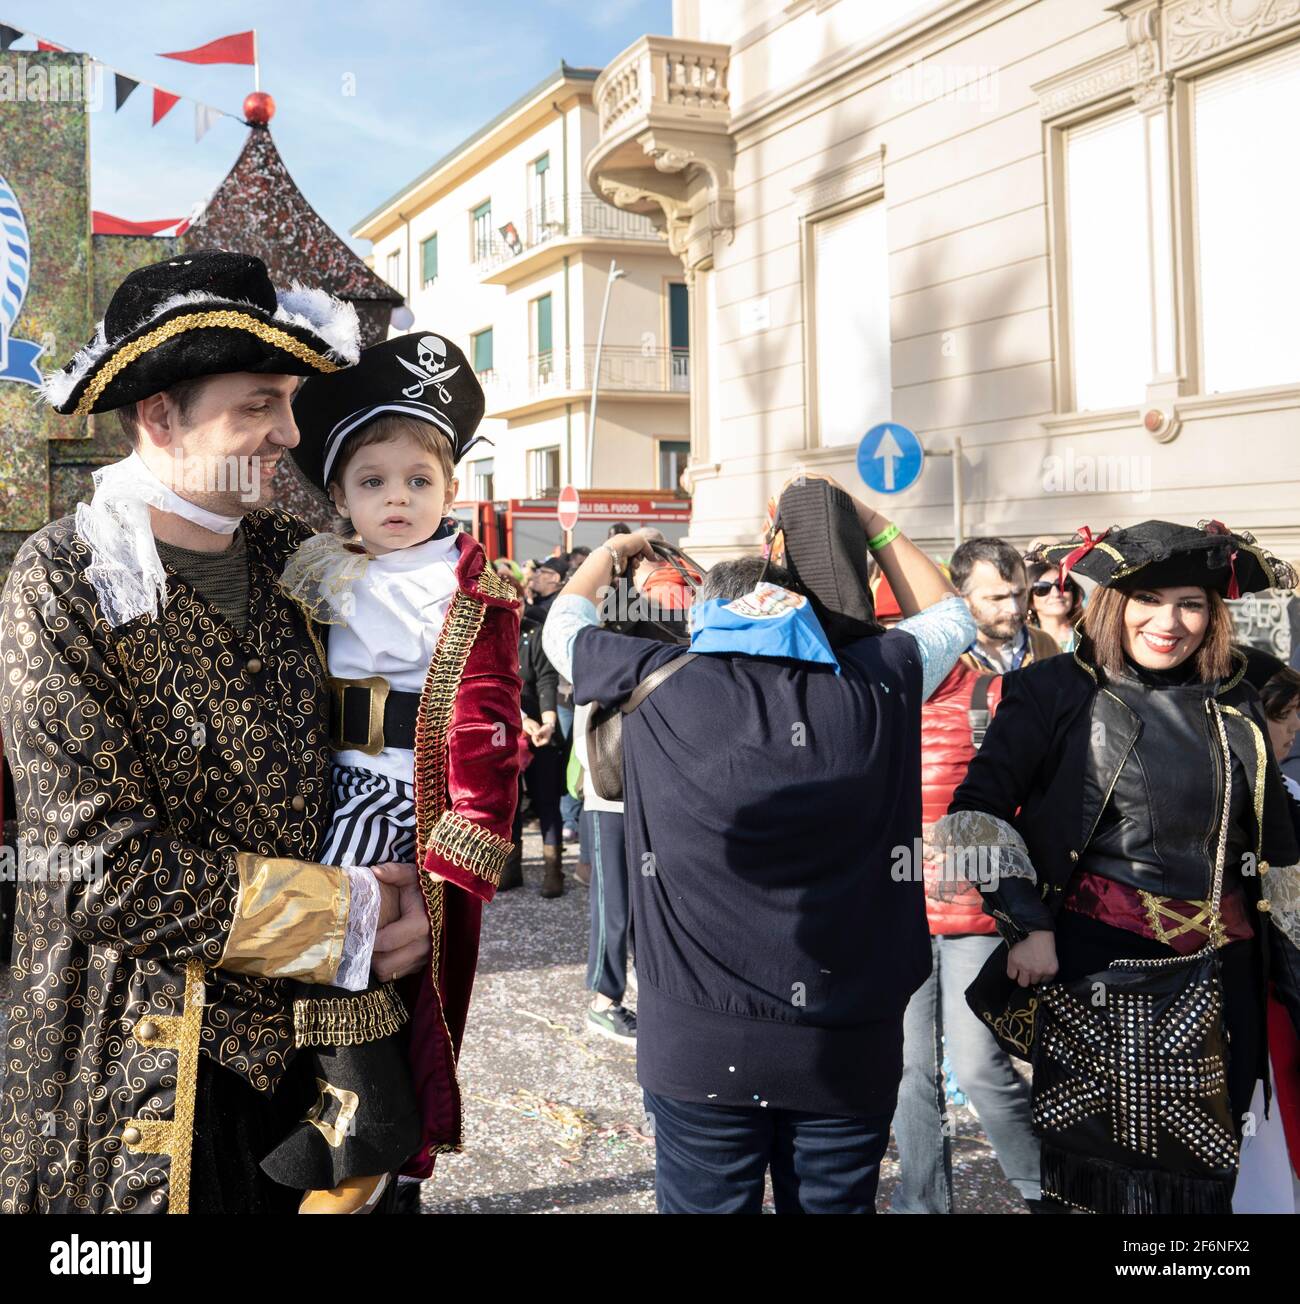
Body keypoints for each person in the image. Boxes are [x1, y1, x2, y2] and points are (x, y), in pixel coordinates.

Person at [1, 250, 432, 1213]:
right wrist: (349, 916)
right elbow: (89, 867)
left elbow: (398, 725)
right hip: (139, 1064)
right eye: (258, 406)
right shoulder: (63, 579)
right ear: (161, 416)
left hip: (316, 1056)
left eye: (288, 403)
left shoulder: (304, 562)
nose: (289, 433)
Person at [543, 478, 977, 1214]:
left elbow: (565, 623)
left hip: (696, 1045)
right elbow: (951, 617)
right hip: (846, 1047)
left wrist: (617, 549)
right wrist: (862, 521)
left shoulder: (652, 680)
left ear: (706, 610)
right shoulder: (879, 681)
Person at [938, 520, 1300, 1213]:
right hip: (1096, 973)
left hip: (1224, 982)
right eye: (1149, 600)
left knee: (1209, 1179)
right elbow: (978, 812)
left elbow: (1279, 852)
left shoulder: (1238, 699)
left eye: (1190, 603)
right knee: (1103, 1180)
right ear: (1112, 604)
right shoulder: (1052, 690)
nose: (1170, 623)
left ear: (1213, 613)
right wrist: (1026, 924)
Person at [271, 333, 523, 1213]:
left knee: (365, 947)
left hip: (398, 799)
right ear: (339, 493)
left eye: (419, 482)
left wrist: (457, 852)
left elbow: (489, 721)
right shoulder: (312, 573)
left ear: (450, 490)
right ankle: (333, 1108)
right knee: (302, 939)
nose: (397, 499)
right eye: (373, 482)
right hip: (325, 786)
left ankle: (370, 1123)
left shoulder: (473, 588)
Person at [891, 538, 1056, 1214]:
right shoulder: (911, 664)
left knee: (979, 1063)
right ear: (956, 603)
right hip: (906, 894)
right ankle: (921, 1204)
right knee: (910, 1071)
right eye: (996, 596)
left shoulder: (1045, 662)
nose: (1014, 608)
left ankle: (1046, 1192)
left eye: (1020, 593)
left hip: (984, 896)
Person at [516, 599, 565, 896]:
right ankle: (509, 867)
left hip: (539, 729)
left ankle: (553, 869)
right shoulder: (486, 633)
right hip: (503, 731)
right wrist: (521, 719)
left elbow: (548, 680)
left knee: (547, 800)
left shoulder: (535, 634)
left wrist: (547, 722)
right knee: (508, 805)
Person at [1025, 556, 1083, 653]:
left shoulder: (1089, 636)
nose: (1056, 594)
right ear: (1030, 601)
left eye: (1062, 585)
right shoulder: (1024, 642)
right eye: (1042, 589)